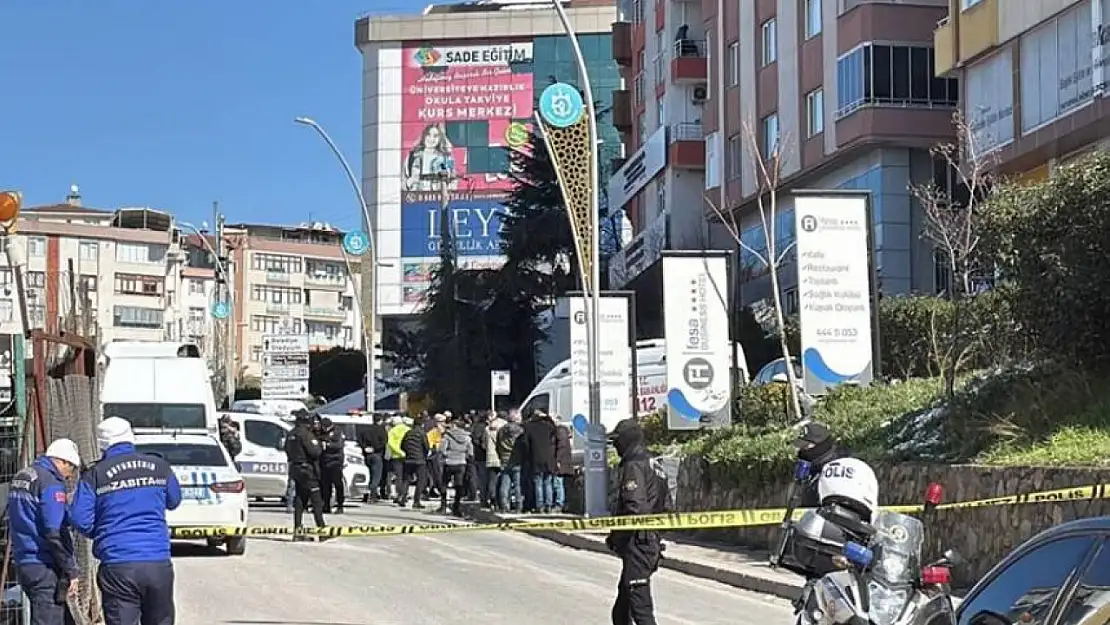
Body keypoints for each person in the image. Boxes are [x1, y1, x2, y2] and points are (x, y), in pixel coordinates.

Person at [71, 417, 182, 625]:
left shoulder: (95, 474)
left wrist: (103, 531)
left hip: (117, 564)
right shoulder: (158, 466)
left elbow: (79, 518)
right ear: (130, 437)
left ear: (102, 444)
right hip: (157, 561)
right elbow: (174, 500)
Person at [8, 438, 82, 625]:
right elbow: (53, 532)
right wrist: (70, 569)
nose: (69, 476)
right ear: (63, 461)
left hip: (24, 562)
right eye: (71, 468)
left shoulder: (23, 476)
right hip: (45, 565)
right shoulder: (51, 483)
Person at [606, 418, 665, 625]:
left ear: (627, 440)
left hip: (638, 541)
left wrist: (618, 536)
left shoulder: (634, 465)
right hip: (650, 538)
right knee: (622, 610)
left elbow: (635, 508)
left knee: (640, 608)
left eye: (617, 441)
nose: (615, 446)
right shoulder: (653, 462)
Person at [284, 409, 327, 540]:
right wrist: (320, 445)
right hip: (307, 470)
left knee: (300, 499)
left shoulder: (291, 434)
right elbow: (315, 452)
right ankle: (322, 531)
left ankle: (298, 531)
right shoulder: (305, 434)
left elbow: (286, 449)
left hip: (295, 469)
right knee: (316, 501)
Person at [793, 421, 849, 507]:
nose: (802, 451)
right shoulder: (813, 470)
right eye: (801, 447)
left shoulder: (838, 470)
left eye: (806, 447)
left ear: (821, 445)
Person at [521, 410, 557, 513]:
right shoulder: (548, 426)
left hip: (536, 458)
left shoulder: (529, 427)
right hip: (548, 459)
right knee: (548, 482)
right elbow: (554, 429)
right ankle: (549, 505)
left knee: (538, 483)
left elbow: (525, 443)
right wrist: (548, 417)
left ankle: (539, 506)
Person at [439, 416, 473, 516]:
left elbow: (442, 449)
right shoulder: (467, 437)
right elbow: (470, 452)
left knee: (444, 484)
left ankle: (443, 506)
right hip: (461, 463)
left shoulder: (447, 436)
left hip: (449, 462)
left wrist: (447, 454)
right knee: (458, 486)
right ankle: (456, 508)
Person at [397, 415, 430, 509]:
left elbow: (402, 445)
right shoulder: (422, 433)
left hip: (408, 459)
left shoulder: (408, 433)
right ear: (422, 424)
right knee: (421, 480)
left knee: (406, 479)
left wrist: (408, 453)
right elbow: (426, 446)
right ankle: (416, 501)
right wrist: (424, 454)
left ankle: (402, 498)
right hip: (420, 460)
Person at [495, 410, 524, 512]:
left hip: (504, 459)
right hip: (517, 459)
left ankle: (503, 505)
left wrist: (501, 455)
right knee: (518, 485)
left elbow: (497, 445)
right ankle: (519, 505)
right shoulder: (520, 430)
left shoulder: (501, 430)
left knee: (505, 483)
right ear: (516, 418)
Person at [317, 418, 346, 514]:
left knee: (338, 484)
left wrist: (328, 445)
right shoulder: (321, 432)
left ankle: (340, 505)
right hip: (324, 461)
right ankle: (325, 505)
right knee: (325, 485)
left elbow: (339, 445)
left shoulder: (337, 431)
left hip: (335, 461)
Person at [358, 415, 388, 503]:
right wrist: (375, 448)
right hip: (377, 455)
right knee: (376, 477)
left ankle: (366, 495)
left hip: (367, 456)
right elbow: (384, 442)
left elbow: (359, 439)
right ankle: (372, 496)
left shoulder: (365, 430)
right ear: (380, 421)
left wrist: (365, 447)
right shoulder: (381, 430)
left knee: (369, 475)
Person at [484, 411, 506, 509]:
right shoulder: (503, 428)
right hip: (502, 456)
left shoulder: (487, 429)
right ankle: (501, 500)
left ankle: (492, 499)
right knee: (503, 480)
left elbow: (484, 444)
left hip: (490, 456)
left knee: (492, 480)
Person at [385, 416, 410, 501]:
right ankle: (405, 494)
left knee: (398, 476)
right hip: (407, 456)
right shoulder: (407, 429)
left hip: (396, 456)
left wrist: (399, 451)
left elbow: (390, 443)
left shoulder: (392, 431)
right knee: (405, 476)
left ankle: (399, 494)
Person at [553, 421, 573, 513]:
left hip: (562, 464)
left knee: (558, 484)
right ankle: (565, 504)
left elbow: (561, 447)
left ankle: (559, 504)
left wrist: (557, 460)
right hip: (567, 463)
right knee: (565, 485)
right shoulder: (565, 433)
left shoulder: (560, 432)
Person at [426, 414, 447, 499]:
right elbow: (430, 442)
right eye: (442, 421)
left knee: (436, 473)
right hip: (436, 454)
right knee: (437, 473)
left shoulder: (439, 430)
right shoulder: (434, 431)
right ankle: (436, 490)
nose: (444, 423)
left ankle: (434, 489)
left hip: (438, 454)